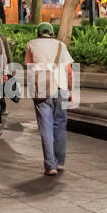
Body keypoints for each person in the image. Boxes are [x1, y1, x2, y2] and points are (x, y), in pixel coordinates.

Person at [24, 23, 74, 175]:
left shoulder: (31, 44)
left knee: (45, 127)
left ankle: (50, 165)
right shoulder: (61, 45)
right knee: (59, 125)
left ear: (38, 33)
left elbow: (28, 66)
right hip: (60, 88)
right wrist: (70, 89)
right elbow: (69, 71)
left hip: (42, 89)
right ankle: (60, 161)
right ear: (52, 33)